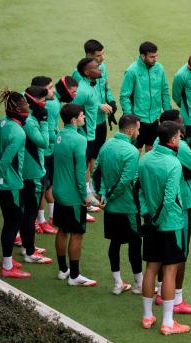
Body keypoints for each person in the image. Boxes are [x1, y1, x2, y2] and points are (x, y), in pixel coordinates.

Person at [138, 121, 190, 335]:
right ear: (174, 139)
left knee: (151, 266)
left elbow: (138, 190)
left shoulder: (145, 158)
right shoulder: (174, 163)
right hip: (170, 223)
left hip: (150, 222)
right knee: (169, 269)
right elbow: (169, 198)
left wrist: (147, 215)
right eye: (179, 135)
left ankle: (147, 316)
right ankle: (168, 322)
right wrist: (158, 218)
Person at [152, 110, 191, 315]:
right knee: (179, 255)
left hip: (156, 205)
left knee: (160, 255)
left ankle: (161, 291)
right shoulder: (180, 147)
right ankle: (176, 299)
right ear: (176, 127)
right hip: (178, 207)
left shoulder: (157, 142)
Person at [0, 89, 30, 278]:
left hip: (2, 182)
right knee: (13, 222)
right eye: (24, 104)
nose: (27, 106)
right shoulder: (18, 133)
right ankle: (7, 267)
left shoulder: (1, 123)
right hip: (11, 184)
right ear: (15, 108)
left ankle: (6, 260)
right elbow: (5, 161)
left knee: (10, 220)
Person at [92, 114, 143, 295]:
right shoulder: (132, 152)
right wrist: (110, 196)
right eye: (137, 128)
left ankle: (118, 283)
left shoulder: (106, 145)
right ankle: (138, 285)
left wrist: (101, 196)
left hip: (110, 207)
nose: (139, 132)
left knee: (115, 243)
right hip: (128, 207)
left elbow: (96, 171)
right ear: (130, 130)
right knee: (135, 243)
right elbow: (126, 181)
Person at [52, 103, 97, 286]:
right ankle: (75, 276)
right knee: (77, 234)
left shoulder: (59, 135)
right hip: (72, 196)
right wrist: (86, 196)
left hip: (58, 192)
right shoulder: (79, 140)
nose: (84, 117)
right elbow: (80, 172)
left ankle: (63, 270)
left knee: (62, 231)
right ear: (73, 119)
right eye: (81, 115)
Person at [72, 40, 118, 192]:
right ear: (89, 55)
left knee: (96, 155)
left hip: (101, 120)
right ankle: (87, 189)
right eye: (99, 56)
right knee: (86, 157)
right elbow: (80, 100)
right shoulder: (78, 74)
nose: (102, 58)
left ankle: (94, 186)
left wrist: (110, 100)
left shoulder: (101, 68)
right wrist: (99, 106)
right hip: (87, 122)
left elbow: (105, 87)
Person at [72, 57, 109, 222]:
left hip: (91, 134)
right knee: (82, 168)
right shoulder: (82, 90)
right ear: (87, 72)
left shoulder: (92, 86)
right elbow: (72, 110)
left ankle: (88, 197)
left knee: (87, 165)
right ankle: (82, 203)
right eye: (96, 67)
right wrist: (79, 130)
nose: (99, 68)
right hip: (85, 134)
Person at [20, 85, 53, 264]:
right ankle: (30, 252)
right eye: (42, 101)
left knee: (27, 212)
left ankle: (27, 246)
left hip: (28, 170)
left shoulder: (26, 117)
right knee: (29, 213)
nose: (44, 104)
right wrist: (45, 121)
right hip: (32, 173)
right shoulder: (32, 120)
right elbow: (43, 142)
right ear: (35, 101)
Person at [120, 41, 171, 153]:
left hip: (155, 119)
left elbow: (164, 91)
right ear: (143, 56)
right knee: (135, 153)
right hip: (138, 120)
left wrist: (167, 113)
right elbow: (124, 96)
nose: (155, 59)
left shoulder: (159, 68)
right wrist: (130, 117)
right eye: (152, 57)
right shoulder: (132, 71)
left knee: (152, 152)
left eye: (156, 56)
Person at [30, 76, 59, 235]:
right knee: (39, 187)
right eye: (50, 87)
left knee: (46, 185)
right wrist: (59, 138)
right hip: (39, 153)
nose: (53, 90)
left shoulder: (52, 103)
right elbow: (47, 135)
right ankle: (38, 220)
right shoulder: (47, 107)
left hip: (47, 152)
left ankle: (46, 217)